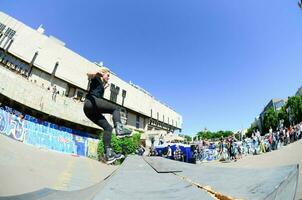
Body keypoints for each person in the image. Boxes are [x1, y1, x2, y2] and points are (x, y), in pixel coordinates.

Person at [83, 66, 131, 164]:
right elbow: (88, 73)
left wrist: (104, 86)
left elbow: (96, 89)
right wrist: (98, 71)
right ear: (103, 73)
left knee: (108, 128)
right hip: (90, 102)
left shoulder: (100, 83)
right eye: (108, 76)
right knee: (115, 108)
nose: (109, 78)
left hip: (90, 111)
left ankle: (108, 153)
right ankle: (120, 129)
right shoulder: (96, 76)